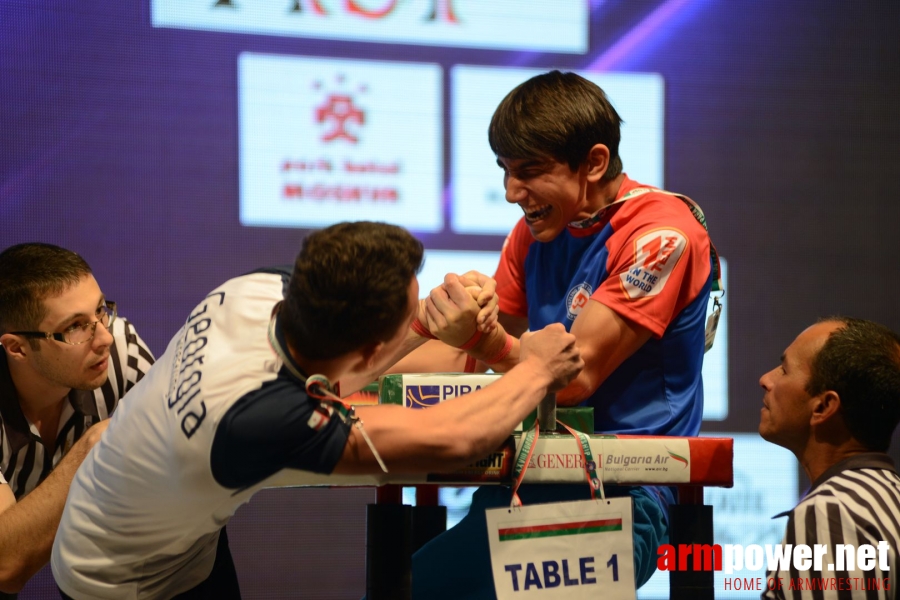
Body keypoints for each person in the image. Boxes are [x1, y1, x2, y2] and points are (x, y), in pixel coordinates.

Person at [51, 221, 583, 599]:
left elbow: (343, 359)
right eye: (407, 315)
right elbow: (455, 437)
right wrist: (537, 368)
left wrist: (425, 321)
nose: (416, 318)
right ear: (371, 349)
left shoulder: (257, 289)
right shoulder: (257, 420)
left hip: (173, 531)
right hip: (118, 577)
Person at [399, 70, 721, 598]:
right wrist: (363, 365)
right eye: (504, 171)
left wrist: (481, 341)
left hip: (622, 497)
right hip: (529, 484)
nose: (510, 192)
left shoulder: (661, 235)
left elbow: (573, 378)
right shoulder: (536, 230)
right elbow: (469, 356)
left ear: (594, 162)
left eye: (529, 171)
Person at [0, 243, 154, 594]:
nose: (104, 337)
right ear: (17, 348)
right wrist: (90, 450)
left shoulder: (120, 351)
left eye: (101, 311)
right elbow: (5, 564)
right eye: (75, 327)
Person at [759, 317, 900, 600]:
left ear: (823, 407)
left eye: (784, 370)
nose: (766, 379)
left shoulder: (830, 511)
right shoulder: (889, 497)